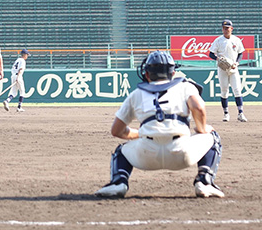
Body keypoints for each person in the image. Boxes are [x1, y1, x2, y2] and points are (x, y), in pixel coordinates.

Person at [95, 51, 225, 199]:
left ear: (147, 74)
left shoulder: (136, 94)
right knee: (212, 136)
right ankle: (205, 181)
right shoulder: (185, 86)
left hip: (146, 155)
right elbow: (199, 107)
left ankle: (118, 182)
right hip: (181, 153)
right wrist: (202, 129)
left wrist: (139, 133)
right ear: (173, 73)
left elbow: (116, 131)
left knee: (121, 151)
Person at [208, 19, 247, 122]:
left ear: (231, 29)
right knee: (224, 91)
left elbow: (240, 53)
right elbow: (211, 53)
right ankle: (226, 114)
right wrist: (218, 59)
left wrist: (237, 62)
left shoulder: (236, 40)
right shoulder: (218, 40)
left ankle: (240, 113)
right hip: (222, 68)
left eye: (227, 28)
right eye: (224, 28)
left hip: (233, 68)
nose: (225, 30)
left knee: (237, 89)